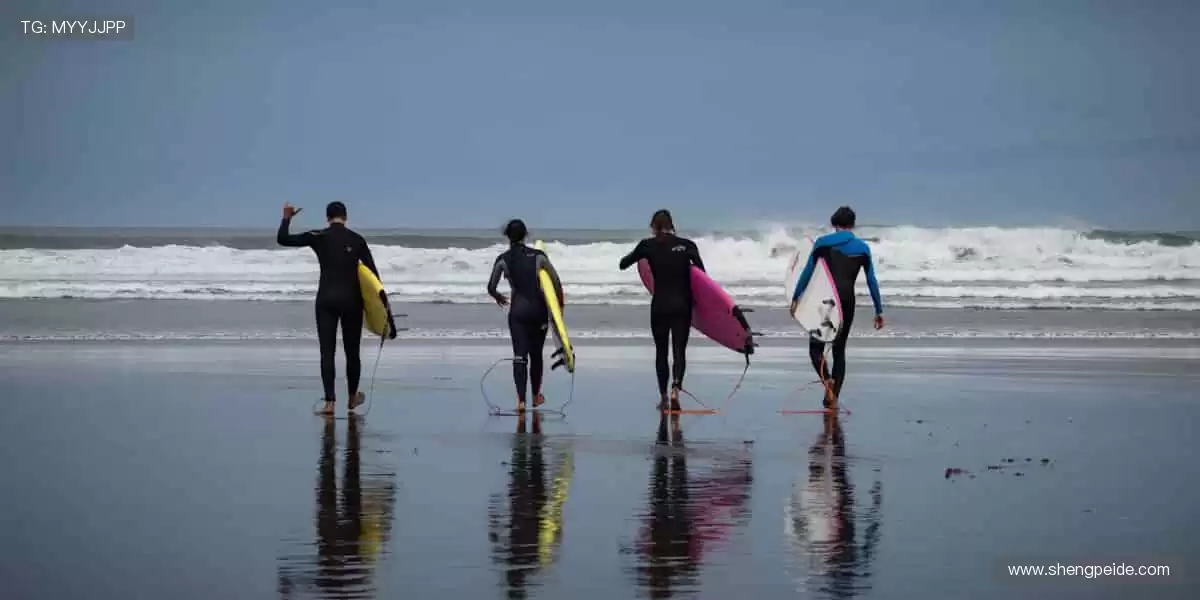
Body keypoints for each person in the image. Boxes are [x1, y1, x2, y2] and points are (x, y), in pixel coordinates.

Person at [277, 201, 385, 415]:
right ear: (346, 217)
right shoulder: (357, 239)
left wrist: (287, 218)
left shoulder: (318, 236)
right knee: (352, 352)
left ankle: (329, 403)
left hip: (326, 300)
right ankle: (352, 398)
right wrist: (381, 308)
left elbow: (283, 239)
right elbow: (373, 277)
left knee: (327, 352)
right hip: (352, 301)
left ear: (327, 217)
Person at [789, 206, 884, 408]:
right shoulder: (863, 248)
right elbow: (871, 281)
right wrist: (878, 310)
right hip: (847, 302)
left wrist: (796, 296)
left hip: (825, 301)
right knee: (839, 350)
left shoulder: (822, 244)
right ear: (853, 225)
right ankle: (833, 399)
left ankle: (828, 381)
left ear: (834, 224)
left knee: (816, 349)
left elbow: (807, 272)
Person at [618, 209, 706, 412]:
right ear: (671, 225)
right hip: (682, 305)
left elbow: (623, 264)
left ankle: (664, 397)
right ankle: (676, 388)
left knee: (661, 352)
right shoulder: (687, 245)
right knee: (679, 350)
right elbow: (702, 276)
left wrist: (642, 257)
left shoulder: (647, 245)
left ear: (654, 226)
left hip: (660, 305)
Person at [487, 219, 565, 412]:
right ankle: (535, 396)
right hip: (538, 311)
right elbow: (556, 282)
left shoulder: (503, 259)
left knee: (519, 356)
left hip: (518, 312)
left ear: (507, 235)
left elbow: (491, 286)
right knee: (536, 355)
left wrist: (498, 297)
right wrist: (558, 307)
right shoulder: (539, 256)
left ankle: (520, 401)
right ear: (525, 234)